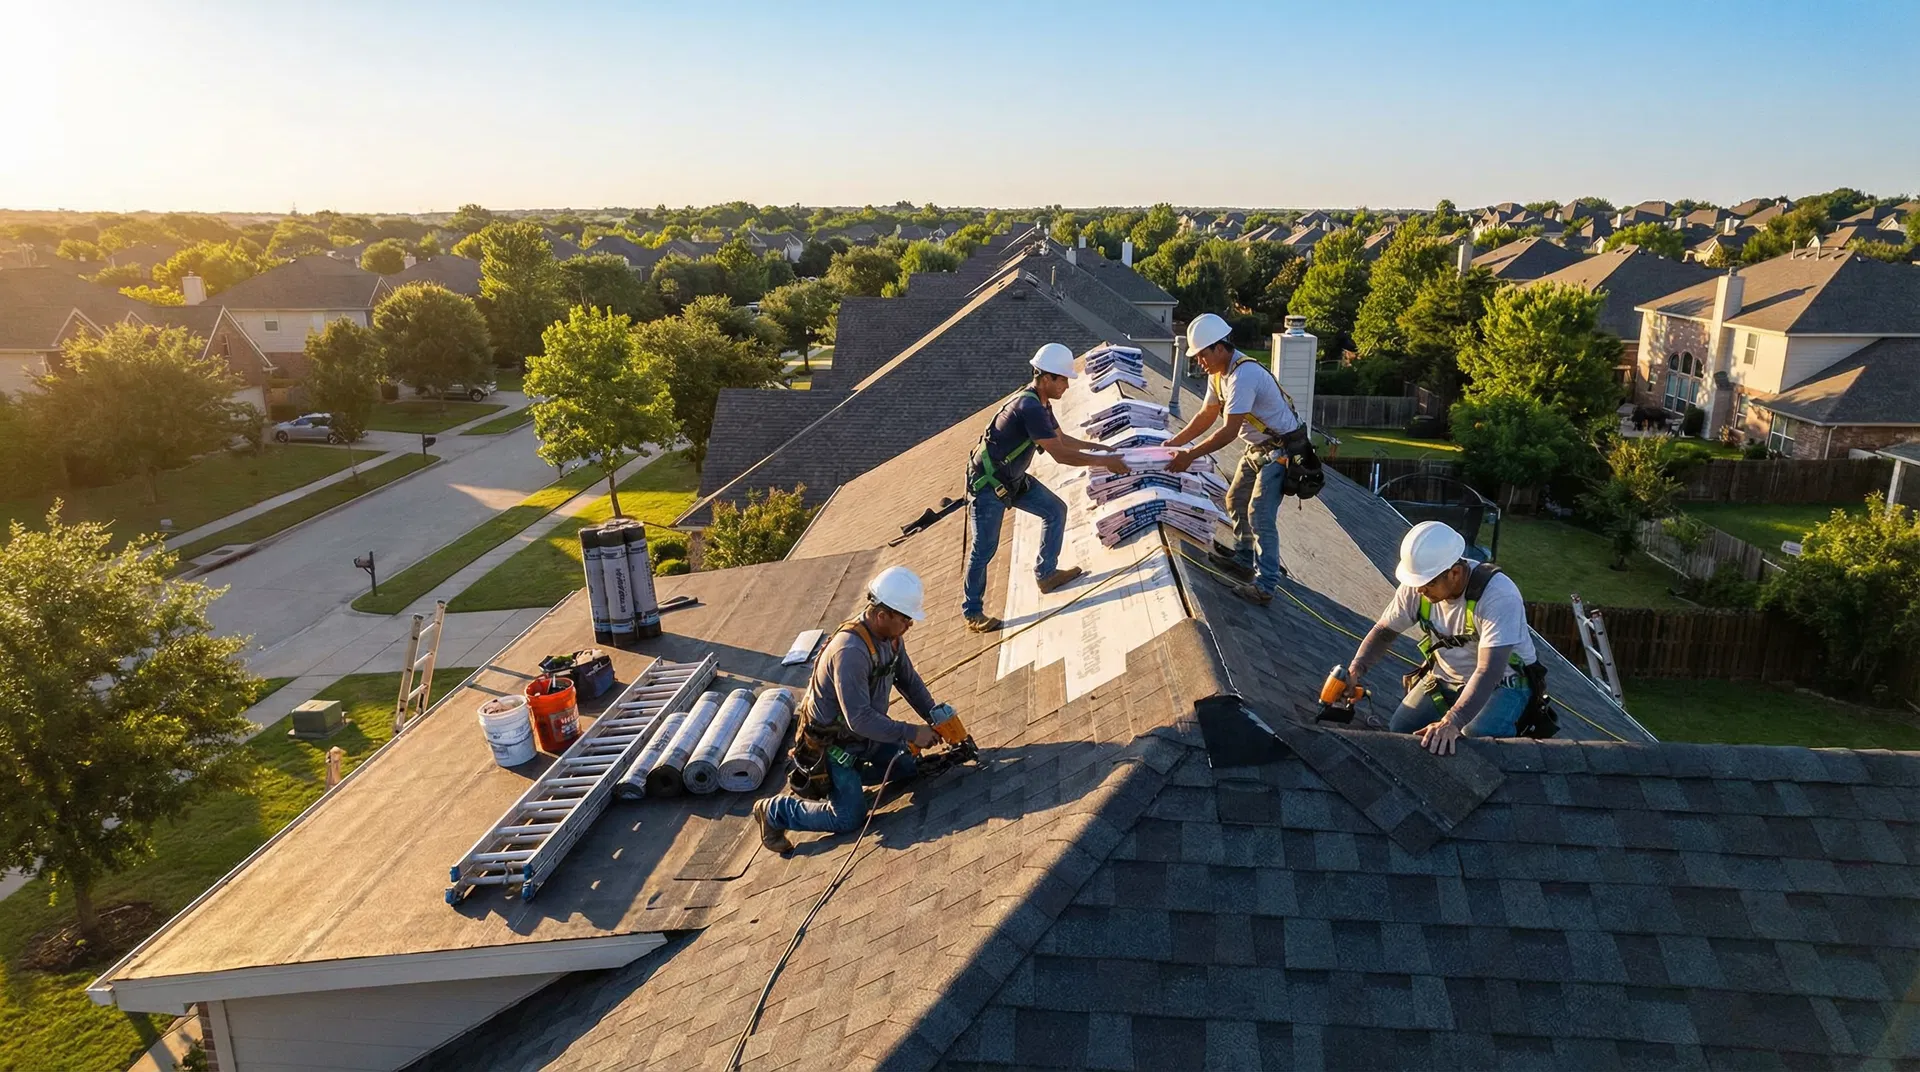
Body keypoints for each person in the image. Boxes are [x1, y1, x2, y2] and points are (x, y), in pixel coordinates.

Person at [754, 566, 948, 853]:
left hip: (866, 737)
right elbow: (858, 719)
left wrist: (935, 716)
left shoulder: (892, 638)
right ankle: (775, 811)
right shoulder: (851, 652)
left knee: (908, 766)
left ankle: (853, 784)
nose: (910, 624)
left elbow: (908, 680)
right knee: (848, 818)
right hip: (836, 748)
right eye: (906, 618)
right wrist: (910, 731)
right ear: (883, 615)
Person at [960, 343, 1129, 632]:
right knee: (984, 549)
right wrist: (1106, 463)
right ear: (1047, 378)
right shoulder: (1029, 407)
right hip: (990, 486)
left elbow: (1061, 439)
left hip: (1011, 481)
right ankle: (972, 611)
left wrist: (1099, 449)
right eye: (1063, 379)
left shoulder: (1041, 403)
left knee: (1055, 510)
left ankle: (1046, 574)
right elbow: (1060, 455)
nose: (1066, 385)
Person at [1342, 521, 1542, 756]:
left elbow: (1489, 671)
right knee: (1401, 732)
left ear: (1455, 573)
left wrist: (1452, 721)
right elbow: (1384, 632)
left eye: (1427, 584)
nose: (1419, 591)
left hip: (1502, 686)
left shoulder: (1499, 596)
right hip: (1445, 678)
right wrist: (1355, 670)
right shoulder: (1418, 585)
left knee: (1470, 742)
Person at [1164, 312, 1305, 606]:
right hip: (1258, 449)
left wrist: (1189, 455)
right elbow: (1207, 415)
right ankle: (1243, 559)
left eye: (1201, 355)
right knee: (1235, 500)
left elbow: (1228, 431)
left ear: (1219, 347)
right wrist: (1174, 443)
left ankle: (1265, 586)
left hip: (1281, 452)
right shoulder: (1218, 375)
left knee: (1260, 515)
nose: (1199, 361)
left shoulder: (1244, 375)